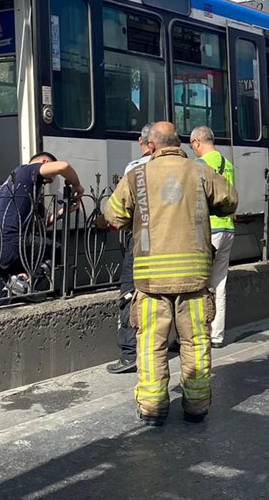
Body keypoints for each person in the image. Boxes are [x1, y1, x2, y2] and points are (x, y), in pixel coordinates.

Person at [103, 121, 238, 426]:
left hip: (151, 281)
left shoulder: (136, 175)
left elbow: (112, 214)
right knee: (196, 343)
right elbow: (230, 200)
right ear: (179, 143)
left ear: (151, 146)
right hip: (194, 278)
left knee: (151, 344)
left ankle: (152, 407)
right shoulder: (201, 171)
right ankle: (197, 405)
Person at [0, 152, 84, 302]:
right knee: (56, 250)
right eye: (48, 180)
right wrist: (77, 185)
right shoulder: (26, 170)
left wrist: (61, 213)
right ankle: (25, 279)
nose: (46, 183)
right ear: (45, 162)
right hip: (9, 243)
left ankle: (16, 286)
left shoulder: (8, 186)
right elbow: (63, 166)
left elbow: (33, 227)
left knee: (5, 302)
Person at [105, 124, 153, 374]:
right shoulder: (190, 168)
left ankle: (129, 353)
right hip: (179, 242)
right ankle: (171, 343)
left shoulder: (135, 168)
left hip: (142, 239)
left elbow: (117, 212)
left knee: (130, 292)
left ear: (145, 142)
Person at [189, 125, 235, 349]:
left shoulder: (199, 165)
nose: (193, 150)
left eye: (192, 146)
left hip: (208, 230)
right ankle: (217, 335)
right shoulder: (229, 165)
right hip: (228, 229)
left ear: (198, 142)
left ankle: (199, 334)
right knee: (219, 283)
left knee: (199, 284)